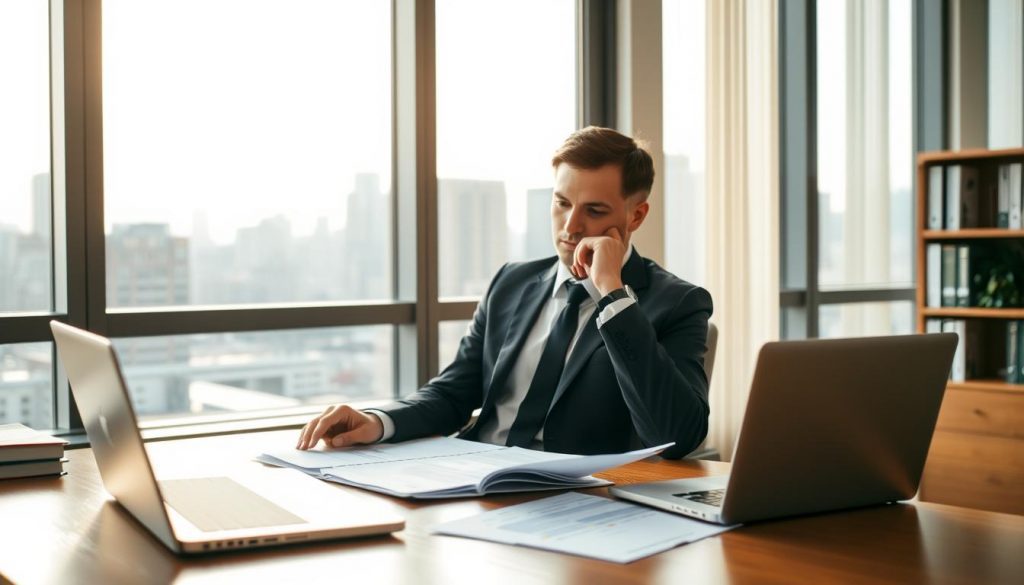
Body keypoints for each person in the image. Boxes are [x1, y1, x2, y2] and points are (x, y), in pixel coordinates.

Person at [298, 126, 712, 459]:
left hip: (580, 499)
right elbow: (454, 392)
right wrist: (378, 421)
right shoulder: (511, 283)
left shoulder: (677, 304)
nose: (570, 227)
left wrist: (612, 294)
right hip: (474, 476)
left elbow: (677, 435)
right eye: (562, 203)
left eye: (595, 211)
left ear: (635, 215)